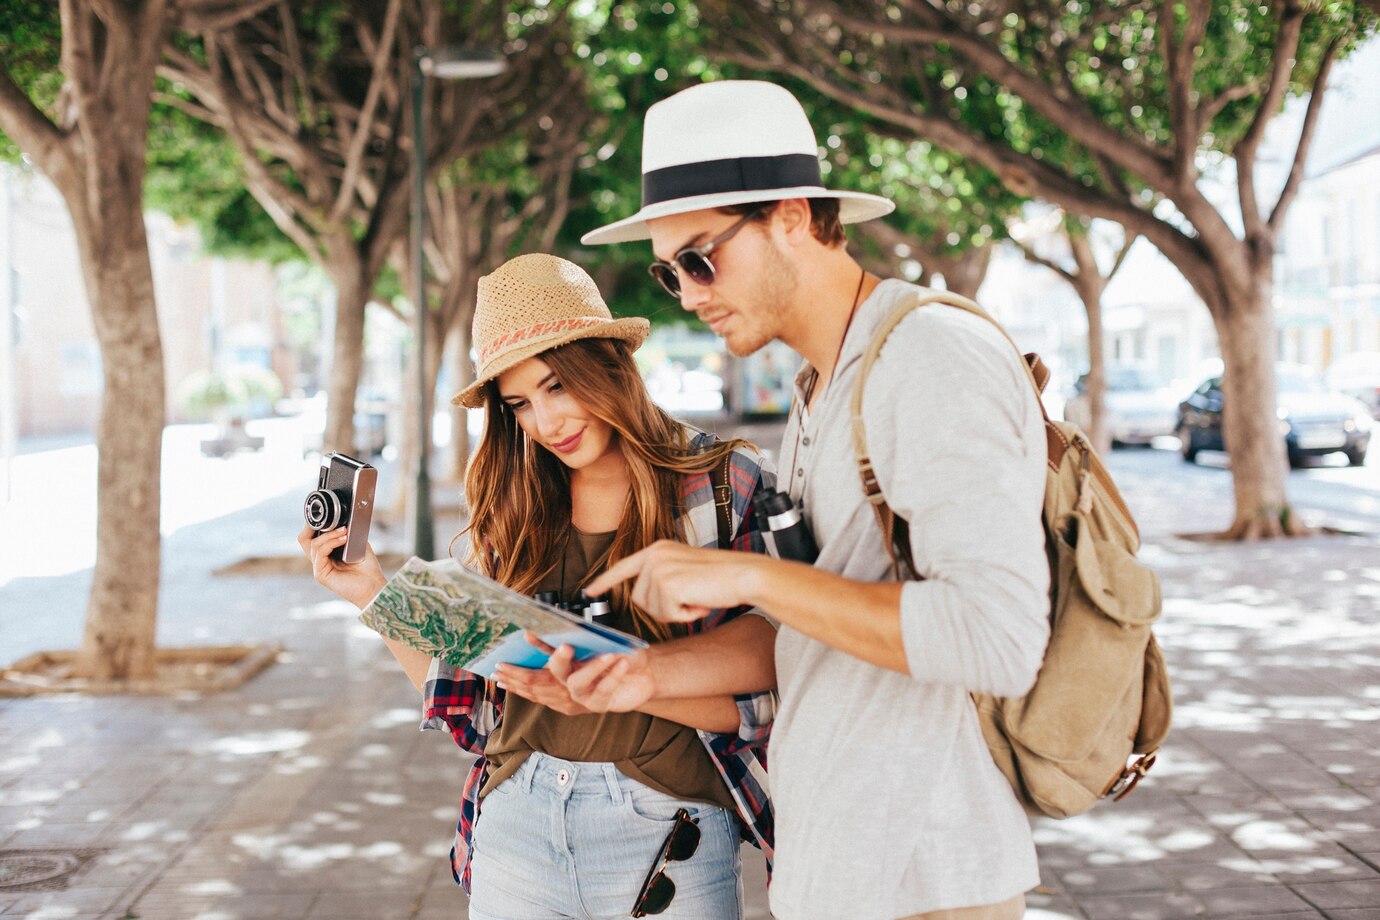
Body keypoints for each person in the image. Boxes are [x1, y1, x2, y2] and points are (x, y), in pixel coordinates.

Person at [569, 80, 1051, 920]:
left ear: (791, 216)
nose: (685, 293)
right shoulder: (821, 386)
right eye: (668, 269)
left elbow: (997, 639)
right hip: (840, 870)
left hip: (926, 877)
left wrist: (746, 579)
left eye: (701, 257)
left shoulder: (932, 356)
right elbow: (815, 638)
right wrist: (641, 674)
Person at [298, 253, 777, 920]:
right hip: (517, 821)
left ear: (608, 365)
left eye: (557, 386)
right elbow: (474, 709)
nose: (546, 423)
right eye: (520, 403)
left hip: (666, 830)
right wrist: (373, 593)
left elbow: (769, 695)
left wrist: (616, 685)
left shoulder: (725, 485)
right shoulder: (518, 509)